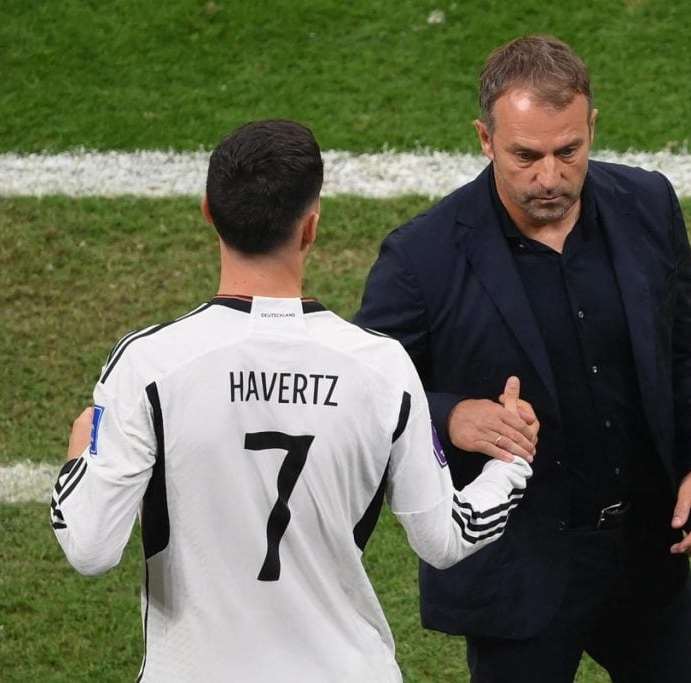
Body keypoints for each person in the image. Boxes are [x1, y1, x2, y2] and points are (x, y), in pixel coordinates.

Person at [50, 119, 533, 682]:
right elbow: (447, 538)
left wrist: (80, 456)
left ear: (208, 211)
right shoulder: (379, 367)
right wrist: (512, 462)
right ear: (311, 227)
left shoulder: (149, 364)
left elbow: (90, 548)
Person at [355, 35, 691, 682]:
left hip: (648, 551)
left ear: (591, 126)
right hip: (517, 568)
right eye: (525, 156)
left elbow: (688, 350)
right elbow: (361, 394)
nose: (550, 177)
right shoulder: (422, 257)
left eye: (569, 152)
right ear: (484, 138)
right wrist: (451, 416)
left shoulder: (647, 204)